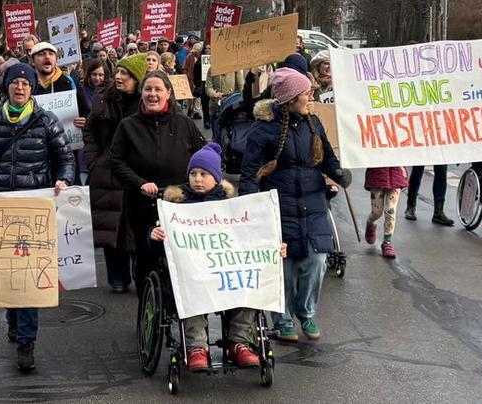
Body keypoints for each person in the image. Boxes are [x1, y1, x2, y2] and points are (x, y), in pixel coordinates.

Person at [0, 62, 75, 373]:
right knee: (7, 272)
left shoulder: (46, 120)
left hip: (33, 207)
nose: (20, 88)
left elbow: (64, 157)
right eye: (15, 83)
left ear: (32, 89)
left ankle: (27, 341)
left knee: (27, 276)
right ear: (6, 86)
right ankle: (14, 321)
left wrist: (63, 179)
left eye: (26, 84)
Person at [239, 68, 349, 343]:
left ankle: (306, 311)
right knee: (284, 267)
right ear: (290, 98)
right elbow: (250, 174)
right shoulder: (262, 131)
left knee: (316, 260)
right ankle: (284, 320)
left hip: (313, 203)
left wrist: (339, 174)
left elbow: (325, 156)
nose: (311, 97)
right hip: (279, 205)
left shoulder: (314, 123)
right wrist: (252, 207)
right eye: (306, 93)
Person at [152, 144, 283, 371]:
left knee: (250, 282)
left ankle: (240, 342)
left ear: (216, 178)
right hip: (193, 273)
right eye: (193, 174)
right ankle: (196, 346)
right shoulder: (175, 206)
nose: (197, 179)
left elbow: (253, 238)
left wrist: (274, 247)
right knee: (191, 288)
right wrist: (155, 236)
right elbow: (162, 252)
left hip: (225, 271)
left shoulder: (233, 206)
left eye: (204, 174)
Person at [108, 71, 206, 286]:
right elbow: (115, 161)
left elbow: (203, 158)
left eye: (158, 89)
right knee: (147, 261)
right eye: (148, 89)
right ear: (141, 93)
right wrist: (139, 183)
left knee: (183, 261)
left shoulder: (184, 124)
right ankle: (148, 310)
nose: (153, 94)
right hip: (142, 204)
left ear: (168, 93)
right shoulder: (128, 126)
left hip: (180, 204)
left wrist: (198, 183)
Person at [83, 53, 148, 294]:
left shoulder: (145, 102)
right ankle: (117, 277)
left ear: (137, 79)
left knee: (135, 224)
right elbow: (89, 130)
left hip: (135, 170)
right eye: (118, 71)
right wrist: (94, 160)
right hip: (106, 171)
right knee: (111, 225)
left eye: (126, 74)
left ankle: (139, 273)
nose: (119, 77)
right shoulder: (104, 98)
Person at [75, 59, 108, 185]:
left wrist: (89, 122)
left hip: (103, 146)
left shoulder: (110, 92)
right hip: (84, 146)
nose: (97, 78)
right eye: (94, 74)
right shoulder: (80, 91)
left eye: (101, 75)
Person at [363, 166, 407, 259]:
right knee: (376, 212)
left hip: (396, 173)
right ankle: (371, 222)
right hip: (377, 175)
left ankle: (387, 242)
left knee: (390, 210)